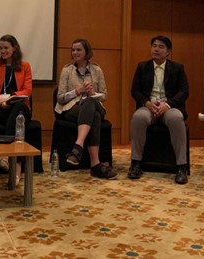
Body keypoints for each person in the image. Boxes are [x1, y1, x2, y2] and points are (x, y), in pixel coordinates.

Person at [128, 36, 189, 185]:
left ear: (168, 51)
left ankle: (181, 166)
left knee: (176, 118)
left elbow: (184, 91)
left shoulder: (177, 68)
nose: (156, 49)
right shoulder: (143, 67)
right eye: (154, 46)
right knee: (138, 118)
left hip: (169, 107)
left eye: (161, 46)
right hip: (149, 106)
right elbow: (135, 90)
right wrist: (147, 103)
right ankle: (136, 163)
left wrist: (167, 105)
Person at [54, 39, 116, 180]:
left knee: (90, 102)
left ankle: (78, 146)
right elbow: (60, 98)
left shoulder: (97, 70)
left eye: (79, 50)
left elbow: (105, 95)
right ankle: (96, 165)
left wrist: (92, 94)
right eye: (73, 50)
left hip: (95, 105)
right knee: (94, 116)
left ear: (86, 52)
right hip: (72, 108)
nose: (75, 52)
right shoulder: (67, 70)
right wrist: (77, 91)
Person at [0, 35, 32, 183]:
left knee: (18, 107)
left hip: (17, 107)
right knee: (17, 117)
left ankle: (8, 157)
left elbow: (27, 91)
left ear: (14, 48)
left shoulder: (25, 66)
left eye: (6, 48)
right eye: (1, 48)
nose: (3, 51)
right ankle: (16, 166)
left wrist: (11, 98)